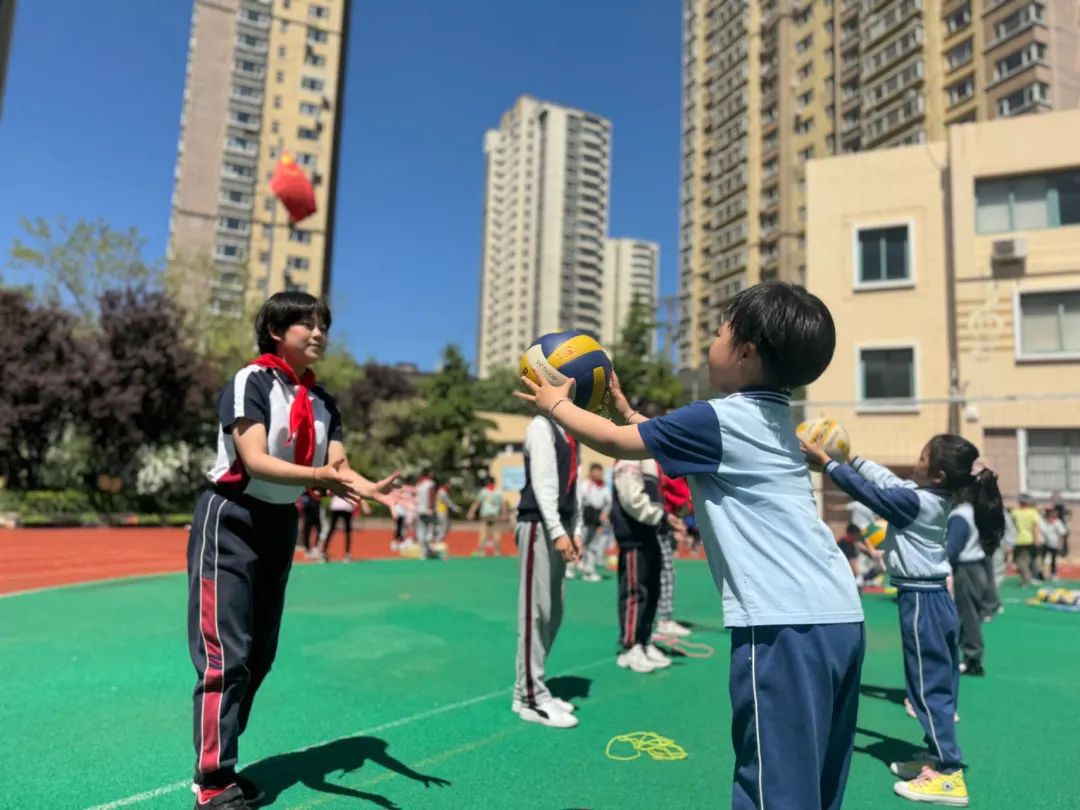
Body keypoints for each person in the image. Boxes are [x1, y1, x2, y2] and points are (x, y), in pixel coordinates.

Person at [518, 282, 865, 808]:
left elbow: (614, 444)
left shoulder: (721, 417)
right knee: (816, 779)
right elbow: (657, 440)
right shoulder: (776, 422)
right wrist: (628, 414)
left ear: (746, 352)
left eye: (721, 331)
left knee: (773, 786)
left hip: (784, 624)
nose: (713, 340)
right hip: (840, 615)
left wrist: (557, 404)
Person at [186, 292, 400, 810]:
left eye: (323, 324)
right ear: (278, 330)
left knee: (259, 655)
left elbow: (338, 466)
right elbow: (255, 459)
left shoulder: (323, 401)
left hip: (280, 523)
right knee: (225, 653)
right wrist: (320, 477)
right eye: (307, 324)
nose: (320, 333)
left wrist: (365, 485)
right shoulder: (250, 383)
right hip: (231, 518)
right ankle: (212, 779)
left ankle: (225, 761)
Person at [813, 434, 1000, 807]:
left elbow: (873, 495)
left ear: (937, 473)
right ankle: (937, 755)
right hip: (932, 598)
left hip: (923, 602)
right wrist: (853, 457)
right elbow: (888, 482)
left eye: (921, 456)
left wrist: (830, 464)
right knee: (938, 682)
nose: (915, 460)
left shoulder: (917, 503)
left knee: (926, 689)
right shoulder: (929, 496)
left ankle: (948, 774)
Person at [511, 410, 581, 729]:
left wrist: (575, 529)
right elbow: (544, 483)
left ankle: (533, 686)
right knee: (535, 612)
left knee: (554, 611)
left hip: (559, 526)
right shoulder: (542, 427)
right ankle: (529, 697)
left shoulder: (569, 431)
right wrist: (556, 530)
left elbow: (572, 487)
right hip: (539, 525)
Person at [611, 450, 671, 674]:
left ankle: (644, 640)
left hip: (649, 533)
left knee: (652, 589)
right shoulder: (629, 456)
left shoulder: (652, 460)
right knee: (635, 591)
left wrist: (664, 517)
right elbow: (631, 498)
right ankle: (630, 646)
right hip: (634, 536)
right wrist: (659, 516)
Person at [946, 467, 1005, 678]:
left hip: (965, 569)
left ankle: (972, 659)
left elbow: (952, 548)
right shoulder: (979, 511)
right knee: (972, 615)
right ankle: (971, 656)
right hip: (980, 565)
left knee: (967, 616)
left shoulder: (961, 514)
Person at [656, 467, 693, 637]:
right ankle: (664, 619)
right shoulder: (665, 464)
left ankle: (663, 617)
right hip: (662, 520)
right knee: (666, 572)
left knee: (665, 571)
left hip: (667, 518)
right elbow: (674, 489)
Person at [574, 463, 611, 582]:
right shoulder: (585, 485)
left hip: (597, 520)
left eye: (600, 471)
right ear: (591, 472)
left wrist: (605, 513)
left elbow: (609, 503)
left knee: (593, 546)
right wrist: (580, 517)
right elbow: (579, 502)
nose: (598, 474)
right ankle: (569, 568)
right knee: (579, 544)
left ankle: (589, 571)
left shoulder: (604, 487)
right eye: (595, 471)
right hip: (585, 519)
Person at [316, 495, 370, 563]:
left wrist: (364, 504)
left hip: (346, 508)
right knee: (333, 530)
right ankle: (324, 553)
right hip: (337, 507)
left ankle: (346, 555)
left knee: (346, 531)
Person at [467, 477, 506, 557]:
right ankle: (497, 552)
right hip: (495, 515)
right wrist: (504, 514)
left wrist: (471, 512)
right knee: (496, 534)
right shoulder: (499, 492)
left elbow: (477, 503)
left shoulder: (483, 492)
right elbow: (503, 504)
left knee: (483, 534)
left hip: (485, 515)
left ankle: (482, 552)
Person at [1010, 494, 1041, 587]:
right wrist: (1036, 540)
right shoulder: (1033, 512)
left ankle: (1026, 579)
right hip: (1028, 540)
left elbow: (1011, 526)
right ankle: (1026, 578)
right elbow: (1035, 527)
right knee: (1024, 561)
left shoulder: (1014, 512)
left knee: (1019, 561)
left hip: (1017, 540)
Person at [433, 483, 461, 558]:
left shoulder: (440, 492)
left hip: (440, 511)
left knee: (443, 527)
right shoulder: (442, 492)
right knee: (443, 527)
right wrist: (456, 508)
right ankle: (438, 542)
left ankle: (438, 541)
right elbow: (448, 501)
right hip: (441, 512)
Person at [415, 470, 438, 559]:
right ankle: (429, 550)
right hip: (428, 509)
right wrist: (431, 507)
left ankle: (424, 551)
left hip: (419, 509)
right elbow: (431, 495)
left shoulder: (419, 484)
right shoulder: (430, 483)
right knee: (432, 529)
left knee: (421, 530)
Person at [1040, 505, 1066, 581]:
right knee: (1043, 559)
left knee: (1053, 559)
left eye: (1053, 516)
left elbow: (1061, 534)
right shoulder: (1044, 522)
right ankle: (1042, 574)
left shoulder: (1058, 523)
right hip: (1045, 544)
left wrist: (1060, 543)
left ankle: (1053, 573)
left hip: (1054, 544)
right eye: (1050, 516)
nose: (1051, 518)